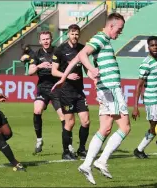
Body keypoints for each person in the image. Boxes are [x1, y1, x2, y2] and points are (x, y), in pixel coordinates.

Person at [52, 13, 131, 185]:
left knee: (105, 128)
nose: (120, 33)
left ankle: (87, 164)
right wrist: (91, 69)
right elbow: (83, 56)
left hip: (105, 89)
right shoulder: (101, 38)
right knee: (125, 127)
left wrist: (63, 77)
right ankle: (101, 161)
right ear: (111, 26)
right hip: (111, 88)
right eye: (119, 29)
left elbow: (77, 56)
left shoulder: (102, 40)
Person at [51, 24, 90, 160]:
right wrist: (67, 76)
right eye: (72, 34)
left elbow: (86, 67)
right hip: (66, 92)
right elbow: (54, 71)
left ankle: (81, 149)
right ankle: (66, 151)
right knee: (70, 122)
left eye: (77, 34)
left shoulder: (82, 49)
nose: (75, 36)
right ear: (68, 34)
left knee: (85, 121)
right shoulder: (60, 50)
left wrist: (93, 76)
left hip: (79, 91)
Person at [28, 31, 64, 154]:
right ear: (40, 41)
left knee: (63, 117)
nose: (46, 41)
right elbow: (30, 71)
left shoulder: (57, 52)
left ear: (51, 39)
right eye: (43, 39)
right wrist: (40, 66)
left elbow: (64, 67)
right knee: (37, 110)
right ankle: (39, 140)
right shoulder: (36, 54)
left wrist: (55, 68)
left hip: (56, 87)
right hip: (42, 87)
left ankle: (68, 145)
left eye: (48, 39)